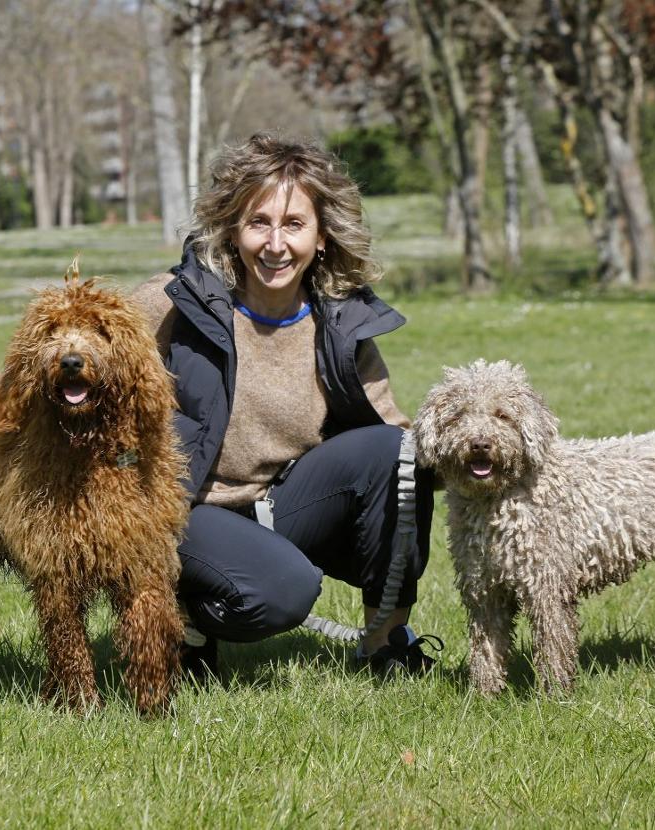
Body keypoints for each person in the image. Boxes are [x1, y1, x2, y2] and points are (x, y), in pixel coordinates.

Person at [131, 133, 437, 678]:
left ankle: (385, 643)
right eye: (259, 223)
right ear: (232, 230)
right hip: (186, 509)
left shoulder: (341, 326)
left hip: (281, 506)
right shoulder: (174, 301)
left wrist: (484, 454)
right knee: (283, 592)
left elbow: (396, 439)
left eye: (294, 224)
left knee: (399, 453)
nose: (276, 244)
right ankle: (185, 624)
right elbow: (79, 349)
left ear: (321, 237)